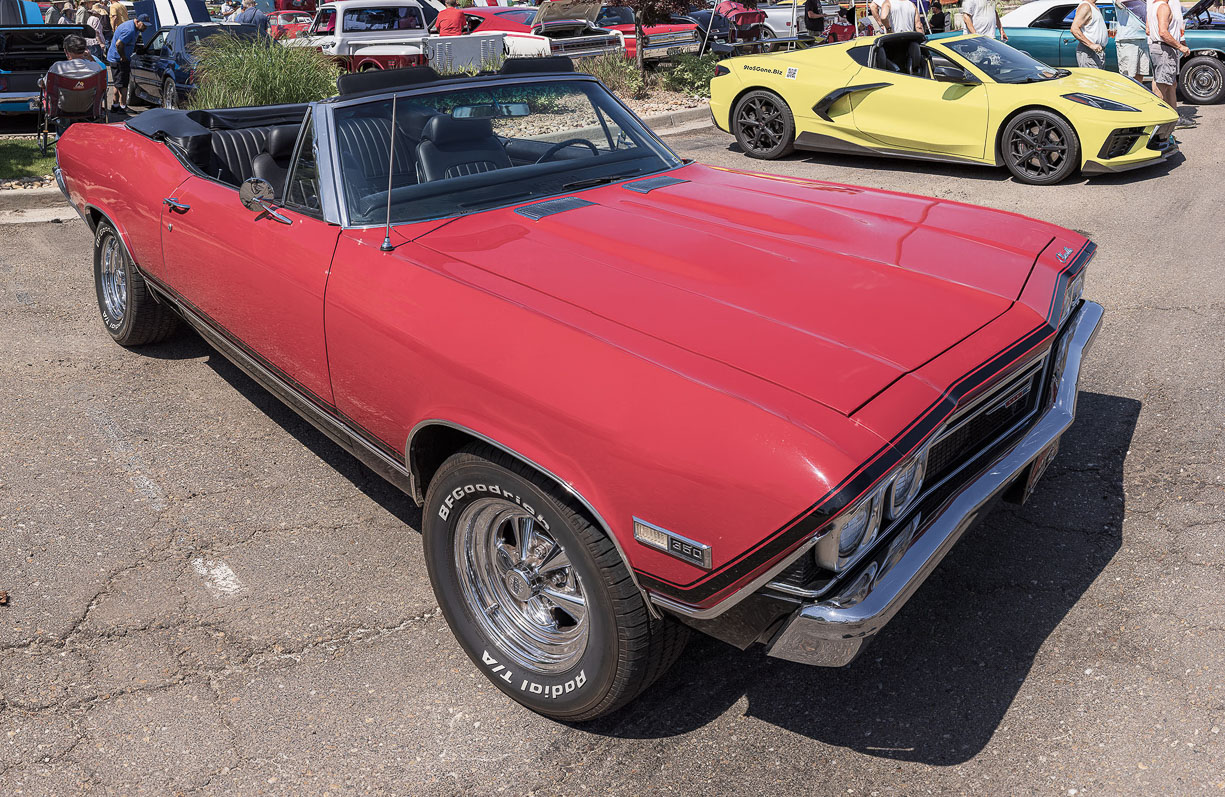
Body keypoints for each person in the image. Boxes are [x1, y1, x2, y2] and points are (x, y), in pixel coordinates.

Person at [1148, 0, 1194, 127]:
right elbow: (1163, 32)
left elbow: (1148, 30)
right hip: (1164, 49)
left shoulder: (1153, 6)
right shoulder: (1163, 7)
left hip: (1160, 48)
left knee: (1169, 84)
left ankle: (1173, 117)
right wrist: (1180, 46)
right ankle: (1159, 122)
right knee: (1161, 86)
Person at [106, 12, 148, 113]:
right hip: (119, 60)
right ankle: (123, 106)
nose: (145, 28)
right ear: (137, 22)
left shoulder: (133, 27)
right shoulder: (129, 30)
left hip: (115, 58)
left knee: (117, 83)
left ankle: (115, 105)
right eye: (144, 25)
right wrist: (123, 57)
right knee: (123, 85)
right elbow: (119, 44)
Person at [41, 33, 105, 84]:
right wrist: (90, 57)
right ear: (85, 50)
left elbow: (45, 83)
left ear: (66, 52)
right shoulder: (96, 67)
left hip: (64, 97)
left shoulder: (57, 67)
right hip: (90, 97)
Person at [1114, 1, 1150, 86]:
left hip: (1143, 39)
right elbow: (1118, 2)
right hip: (1128, 41)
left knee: (1140, 74)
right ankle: (1126, 94)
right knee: (1128, 76)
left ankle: (1137, 93)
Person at [1070, 0, 1108, 67]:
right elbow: (1074, 29)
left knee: (1098, 74)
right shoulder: (1085, 6)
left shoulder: (1094, 6)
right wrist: (1091, 44)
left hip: (1098, 51)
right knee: (1091, 74)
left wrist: (1104, 32)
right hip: (1089, 51)